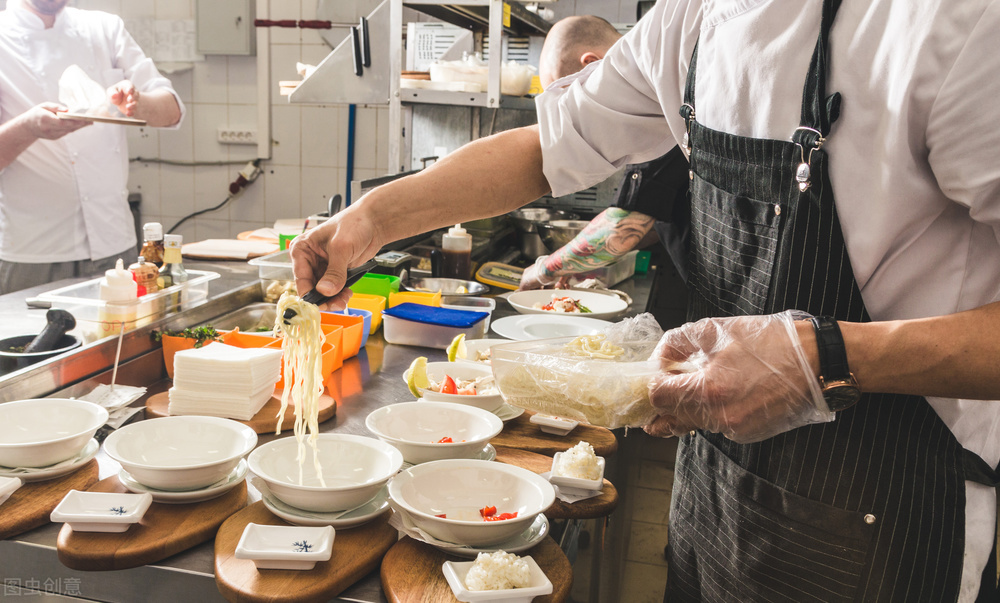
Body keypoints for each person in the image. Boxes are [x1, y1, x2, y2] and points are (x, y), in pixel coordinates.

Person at [290, 0, 1000, 599]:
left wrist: (825, 355)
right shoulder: (693, 21)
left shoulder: (954, 26)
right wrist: (374, 218)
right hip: (717, 490)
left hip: (881, 513)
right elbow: (545, 150)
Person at [0, 0, 184, 295]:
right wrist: (28, 127)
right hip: (32, 254)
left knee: (123, 340)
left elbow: (172, 110)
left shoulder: (104, 28)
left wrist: (138, 103)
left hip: (115, 246)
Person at [521, 16, 690, 293]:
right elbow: (649, 218)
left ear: (590, 65)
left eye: (567, 97)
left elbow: (621, 230)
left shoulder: (662, 102)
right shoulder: (660, 92)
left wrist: (542, 270)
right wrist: (576, 262)